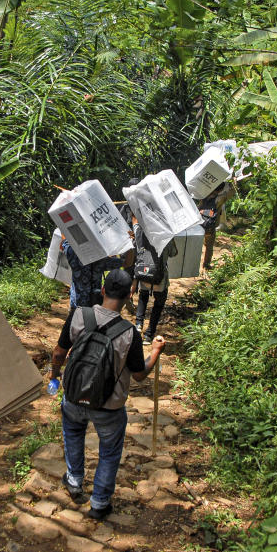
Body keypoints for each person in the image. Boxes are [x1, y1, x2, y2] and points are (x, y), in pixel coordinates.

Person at [48, 269, 166, 520]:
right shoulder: (129, 333)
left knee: (73, 432)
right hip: (109, 407)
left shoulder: (79, 314)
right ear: (130, 294)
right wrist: (155, 350)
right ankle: (100, 502)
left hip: (74, 396)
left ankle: (74, 479)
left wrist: (54, 377)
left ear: (103, 291)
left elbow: (59, 352)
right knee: (110, 452)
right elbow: (139, 375)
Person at [131, 217, 177, 345]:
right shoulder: (166, 236)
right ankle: (149, 335)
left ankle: (139, 324)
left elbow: (135, 221)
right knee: (158, 304)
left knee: (143, 296)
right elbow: (173, 253)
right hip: (159, 278)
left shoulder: (140, 231)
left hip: (143, 274)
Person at [61, 237, 133, 310]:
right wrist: (129, 243)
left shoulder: (73, 254)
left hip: (76, 305)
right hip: (94, 305)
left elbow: (64, 241)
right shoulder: (100, 260)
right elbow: (127, 263)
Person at [198, 181, 236, 272]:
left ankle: (193, 264)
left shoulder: (203, 197)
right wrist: (233, 182)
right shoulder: (219, 199)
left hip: (199, 225)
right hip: (210, 227)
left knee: (196, 245)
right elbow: (232, 192)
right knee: (209, 246)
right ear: (221, 190)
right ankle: (206, 265)